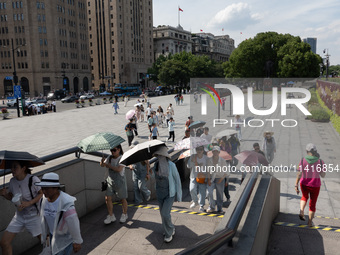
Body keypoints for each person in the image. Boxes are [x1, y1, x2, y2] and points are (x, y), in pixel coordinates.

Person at [0, 161, 43, 255]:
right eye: (11, 167)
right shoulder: (12, 181)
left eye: (15, 167)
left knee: (45, 242)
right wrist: (5, 195)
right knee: (4, 243)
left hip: (34, 215)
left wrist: (29, 203)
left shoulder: (33, 179)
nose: (12, 170)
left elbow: (42, 193)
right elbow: (12, 198)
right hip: (19, 216)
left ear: (23, 168)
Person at [35, 173, 83, 255]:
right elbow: (44, 218)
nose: (44, 191)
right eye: (42, 188)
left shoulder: (66, 203)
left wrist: (77, 241)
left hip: (65, 238)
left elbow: (73, 222)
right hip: (52, 235)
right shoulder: (43, 200)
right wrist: (46, 233)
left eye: (47, 188)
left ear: (56, 188)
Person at [152, 146, 182, 243]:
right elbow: (152, 177)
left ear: (165, 156)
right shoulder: (156, 165)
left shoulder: (171, 165)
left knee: (165, 214)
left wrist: (179, 195)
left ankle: (169, 233)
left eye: (161, 155)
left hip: (170, 193)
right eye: (158, 155)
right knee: (163, 214)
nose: (159, 157)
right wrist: (148, 173)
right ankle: (169, 228)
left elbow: (177, 180)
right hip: (160, 192)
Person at [295, 143, 326, 227]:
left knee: (304, 196)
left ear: (307, 151)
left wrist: (296, 185)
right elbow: (323, 175)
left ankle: (301, 210)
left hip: (304, 183)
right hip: (315, 185)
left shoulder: (302, 160)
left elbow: (299, 173)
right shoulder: (320, 161)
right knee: (312, 204)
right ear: (315, 151)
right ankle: (309, 223)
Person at [100, 145, 128, 224]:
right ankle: (111, 216)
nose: (112, 152)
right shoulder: (109, 157)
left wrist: (108, 165)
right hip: (110, 181)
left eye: (114, 150)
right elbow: (102, 165)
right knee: (107, 198)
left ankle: (124, 214)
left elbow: (119, 169)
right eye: (111, 150)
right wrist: (102, 162)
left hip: (120, 181)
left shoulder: (122, 158)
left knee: (122, 199)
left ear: (119, 150)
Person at [206, 146, 228, 213]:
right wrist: (209, 179)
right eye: (214, 151)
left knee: (220, 194)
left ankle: (219, 208)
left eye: (217, 151)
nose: (215, 153)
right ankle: (211, 206)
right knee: (209, 193)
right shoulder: (209, 160)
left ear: (219, 152)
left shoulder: (222, 160)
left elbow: (226, 172)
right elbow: (207, 170)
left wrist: (221, 180)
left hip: (220, 178)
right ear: (212, 152)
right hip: (212, 178)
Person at [187, 146, 208, 212]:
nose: (199, 151)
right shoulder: (193, 156)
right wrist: (192, 162)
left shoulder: (206, 158)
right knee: (192, 189)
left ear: (203, 150)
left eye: (201, 149)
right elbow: (188, 166)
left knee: (202, 192)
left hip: (202, 176)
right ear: (196, 150)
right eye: (198, 149)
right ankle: (195, 201)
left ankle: (201, 205)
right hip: (194, 176)